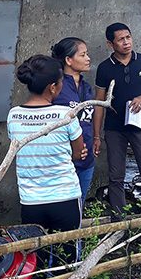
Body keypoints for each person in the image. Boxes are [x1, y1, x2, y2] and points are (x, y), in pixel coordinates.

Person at [7, 55, 86, 240]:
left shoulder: (14, 115)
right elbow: (78, 152)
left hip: (31, 201)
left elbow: (20, 148)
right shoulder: (66, 115)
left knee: (36, 257)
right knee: (68, 257)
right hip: (65, 198)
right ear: (52, 87)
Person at [93, 22, 141, 218]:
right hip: (114, 129)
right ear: (111, 44)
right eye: (120, 39)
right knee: (116, 177)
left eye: (128, 37)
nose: (126, 42)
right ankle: (120, 222)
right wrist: (96, 136)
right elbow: (99, 104)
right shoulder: (104, 68)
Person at [51, 37, 95, 202]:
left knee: (79, 203)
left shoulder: (87, 87)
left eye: (87, 54)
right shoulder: (56, 88)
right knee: (61, 205)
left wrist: (95, 138)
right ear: (68, 60)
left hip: (87, 158)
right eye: (83, 55)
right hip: (63, 160)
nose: (88, 58)